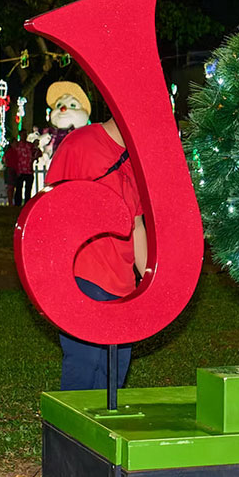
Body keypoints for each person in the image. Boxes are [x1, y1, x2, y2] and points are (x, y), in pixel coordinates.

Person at [46, 116, 147, 391]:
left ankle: (103, 434)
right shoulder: (79, 145)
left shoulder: (137, 157)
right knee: (84, 367)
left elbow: (136, 224)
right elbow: (52, 209)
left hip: (123, 287)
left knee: (114, 373)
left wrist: (150, 282)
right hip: (84, 278)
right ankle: (68, 435)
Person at [5, 127, 41, 207]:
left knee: (28, 189)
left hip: (28, 171)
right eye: (22, 135)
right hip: (20, 171)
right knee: (18, 189)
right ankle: (18, 204)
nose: (24, 136)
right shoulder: (17, 146)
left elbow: (38, 153)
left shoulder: (30, 145)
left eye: (25, 134)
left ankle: (27, 205)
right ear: (20, 135)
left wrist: (35, 156)